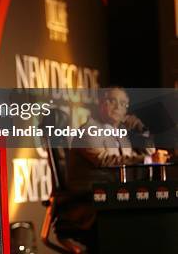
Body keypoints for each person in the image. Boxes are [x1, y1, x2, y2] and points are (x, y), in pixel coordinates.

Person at [60, 87, 154, 252]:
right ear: (101, 103)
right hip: (91, 204)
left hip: (114, 200)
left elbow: (146, 154)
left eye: (123, 103)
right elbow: (104, 160)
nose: (118, 107)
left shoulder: (120, 135)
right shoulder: (88, 130)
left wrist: (143, 131)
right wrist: (146, 159)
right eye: (112, 101)